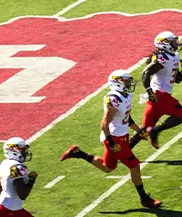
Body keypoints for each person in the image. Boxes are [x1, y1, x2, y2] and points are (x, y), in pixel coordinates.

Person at [59, 70, 163, 209]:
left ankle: (79, 153)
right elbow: (104, 123)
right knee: (134, 165)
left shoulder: (125, 96)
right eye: (126, 81)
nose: (129, 84)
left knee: (108, 168)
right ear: (117, 82)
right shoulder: (114, 98)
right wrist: (112, 143)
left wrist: (138, 130)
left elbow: (126, 117)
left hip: (121, 136)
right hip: (114, 137)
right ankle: (144, 198)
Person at [134, 32, 182, 148]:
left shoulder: (174, 56)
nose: (176, 43)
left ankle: (125, 151)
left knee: (144, 128)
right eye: (173, 41)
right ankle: (155, 130)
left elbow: (176, 80)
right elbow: (145, 73)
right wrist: (150, 92)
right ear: (165, 44)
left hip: (160, 97)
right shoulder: (162, 58)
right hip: (159, 96)